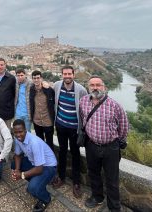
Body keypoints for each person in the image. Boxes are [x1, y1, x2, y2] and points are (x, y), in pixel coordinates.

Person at [80, 76, 129, 211]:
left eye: (98, 85)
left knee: (112, 180)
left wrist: (118, 142)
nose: (95, 88)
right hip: (91, 145)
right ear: (88, 87)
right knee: (93, 173)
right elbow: (83, 119)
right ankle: (97, 197)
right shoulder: (83, 102)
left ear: (104, 87)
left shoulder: (115, 106)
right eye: (92, 85)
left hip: (110, 148)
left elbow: (124, 128)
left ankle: (114, 207)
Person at [52, 65, 88, 198]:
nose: (67, 76)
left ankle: (76, 183)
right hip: (60, 125)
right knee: (61, 151)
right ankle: (61, 177)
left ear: (74, 75)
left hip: (74, 128)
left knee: (75, 154)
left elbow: (86, 108)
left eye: (69, 74)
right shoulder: (57, 85)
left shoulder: (81, 90)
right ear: (62, 75)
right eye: (65, 74)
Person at [11, 119, 57, 212]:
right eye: (16, 132)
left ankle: (45, 198)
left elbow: (39, 169)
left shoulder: (34, 142)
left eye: (20, 132)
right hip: (34, 163)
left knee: (32, 188)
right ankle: (38, 183)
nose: (18, 135)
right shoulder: (17, 139)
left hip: (48, 167)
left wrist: (22, 175)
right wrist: (17, 170)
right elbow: (18, 155)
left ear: (25, 130)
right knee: (14, 164)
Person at [29, 70, 55, 151]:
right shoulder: (31, 90)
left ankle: (51, 162)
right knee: (39, 142)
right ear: (32, 79)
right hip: (37, 121)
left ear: (41, 79)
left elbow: (54, 101)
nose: (36, 80)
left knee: (50, 143)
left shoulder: (48, 90)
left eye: (38, 78)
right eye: (34, 78)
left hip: (48, 121)